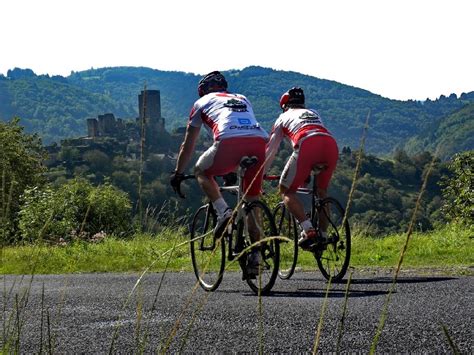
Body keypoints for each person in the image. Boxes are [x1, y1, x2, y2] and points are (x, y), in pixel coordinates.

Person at [170, 71, 269, 275]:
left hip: (228, 140)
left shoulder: (201, 103)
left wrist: (178, 173)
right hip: (259, 142)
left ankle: (223, 212)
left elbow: (188, 145)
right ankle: (256, 257)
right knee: (252, 200)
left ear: (202, 91)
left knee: (201, 170)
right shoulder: (241, 98)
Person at [265, 87, 339, 250]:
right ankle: (324, 236)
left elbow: (271, 149)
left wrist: (261, 173)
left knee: (286, 190)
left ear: (284, 106)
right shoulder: (314, 113)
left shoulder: (282, 117)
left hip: (306, 144)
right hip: (330, 144)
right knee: (321, 192)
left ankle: (308, 229)